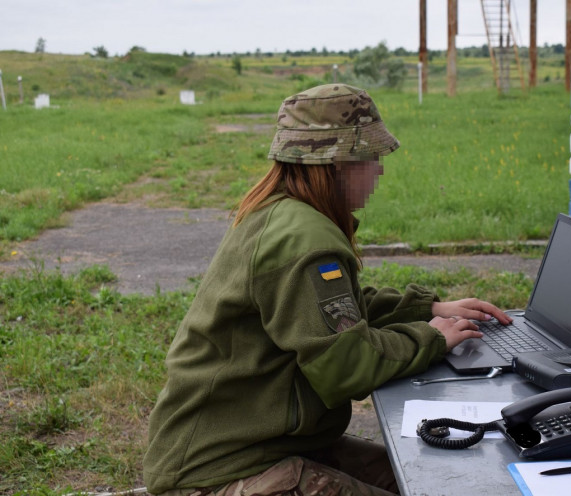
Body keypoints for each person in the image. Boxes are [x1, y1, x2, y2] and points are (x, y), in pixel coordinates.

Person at [143, 84, 512, 496]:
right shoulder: (305, 239)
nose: (379, 170)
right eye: (370, 157)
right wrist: (430, 339)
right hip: (220, 473)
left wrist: (428, 308)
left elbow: (336, 311)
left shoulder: (280, 211)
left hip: (261, 444)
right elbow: (347, 366)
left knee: (433, 477)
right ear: (336, 163)